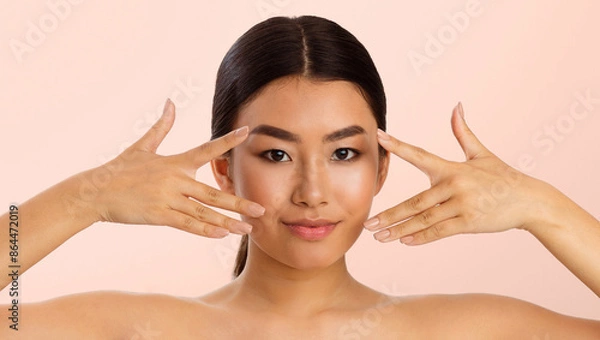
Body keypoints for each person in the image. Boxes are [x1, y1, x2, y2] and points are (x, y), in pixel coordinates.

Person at [1, 15, 599, 339]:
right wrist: (87, 198)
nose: (313, 193)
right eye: (276, 155)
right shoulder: (143, 329)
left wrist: (543, 208)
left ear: (382, 168)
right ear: (224, 170)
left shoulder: (462, 331)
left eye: (344, 155)